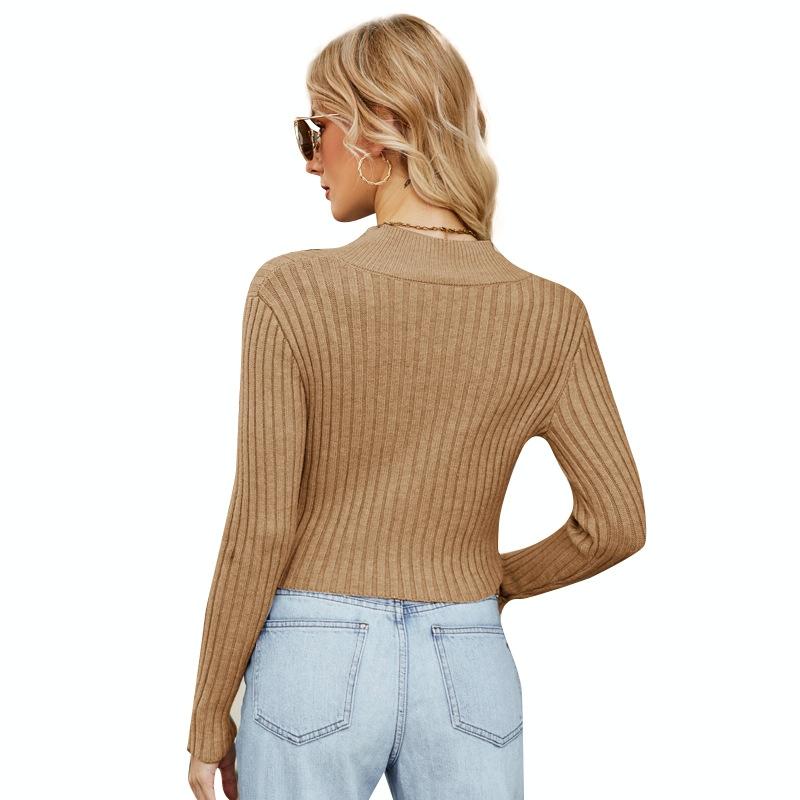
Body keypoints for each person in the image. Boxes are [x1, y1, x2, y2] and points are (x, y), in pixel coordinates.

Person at [187, 13, 646, 800]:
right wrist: (494, 581)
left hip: (312, 658)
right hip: (467, 655)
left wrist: (207, 719)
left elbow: (261, 527)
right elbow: (616, 523)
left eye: (317, 128)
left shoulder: (293, 290)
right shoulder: (550, 313)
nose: (312, 158)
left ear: (382, 127)